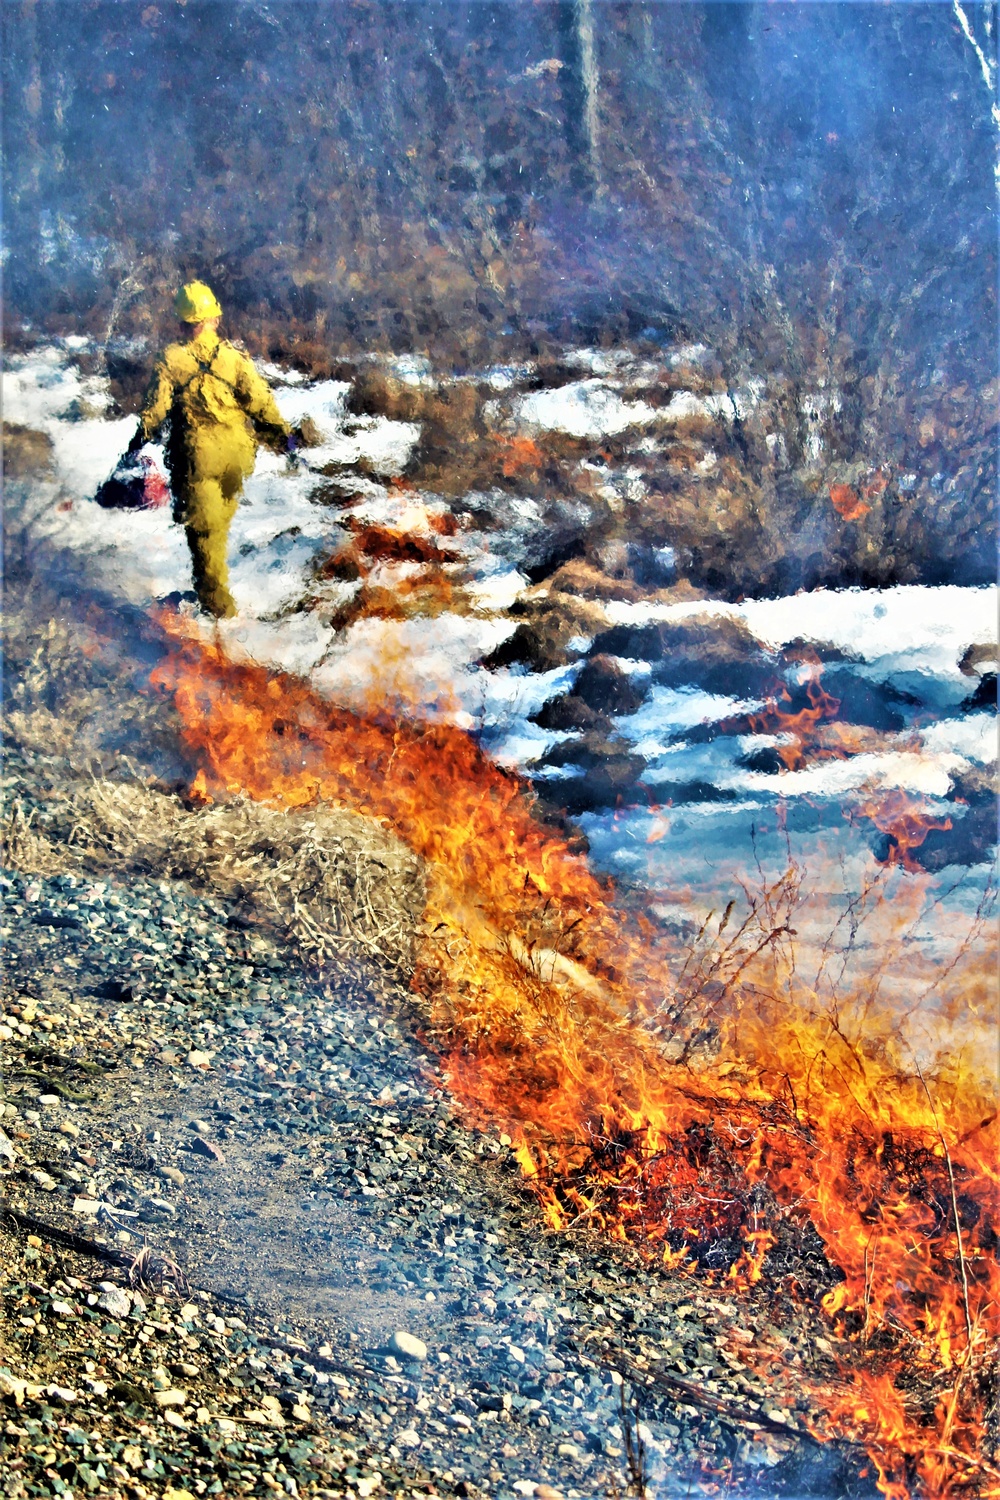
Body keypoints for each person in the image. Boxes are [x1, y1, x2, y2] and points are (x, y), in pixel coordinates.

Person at [126, 280, 307, 619]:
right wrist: (284, 435)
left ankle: (219, 614)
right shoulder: (233, 357)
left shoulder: (170, 359)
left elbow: (155, 412)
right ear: (214, 319)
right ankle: (215, 594)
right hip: (238, 456)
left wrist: (138, 441)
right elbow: (260, 402)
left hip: (199, 458)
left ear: (182, 322)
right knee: (217, 529)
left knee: (204, 537)